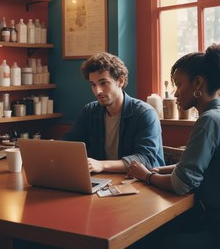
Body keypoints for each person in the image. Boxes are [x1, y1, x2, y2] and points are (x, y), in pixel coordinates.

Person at [128, 43, 220, 248]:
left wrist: (147, 176)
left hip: (214, 228)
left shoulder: (208, 121)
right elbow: (199, 165)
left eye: (178, 84)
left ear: (198, 83)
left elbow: (181, 184)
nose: (176, 93)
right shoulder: (216, 115)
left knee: (149, 241)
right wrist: (159, 169)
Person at [63, 52, 165, 173]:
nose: (97, 91)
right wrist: (51, 148)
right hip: (105, 182)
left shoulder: (145, 113)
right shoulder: (90, 111)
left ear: (120, 81)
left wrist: (102, 165)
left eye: (103, 83)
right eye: (93, 85)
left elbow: (145, 159)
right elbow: (70, 144)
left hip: (143, 183)